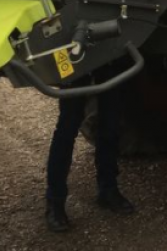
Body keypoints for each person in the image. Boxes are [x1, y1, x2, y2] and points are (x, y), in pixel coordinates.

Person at [45, 79, 135, 232]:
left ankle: (108, 189)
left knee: (110, 124)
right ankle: (55, 200)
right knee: (67, 127)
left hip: (108, 61)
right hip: (73, 64)